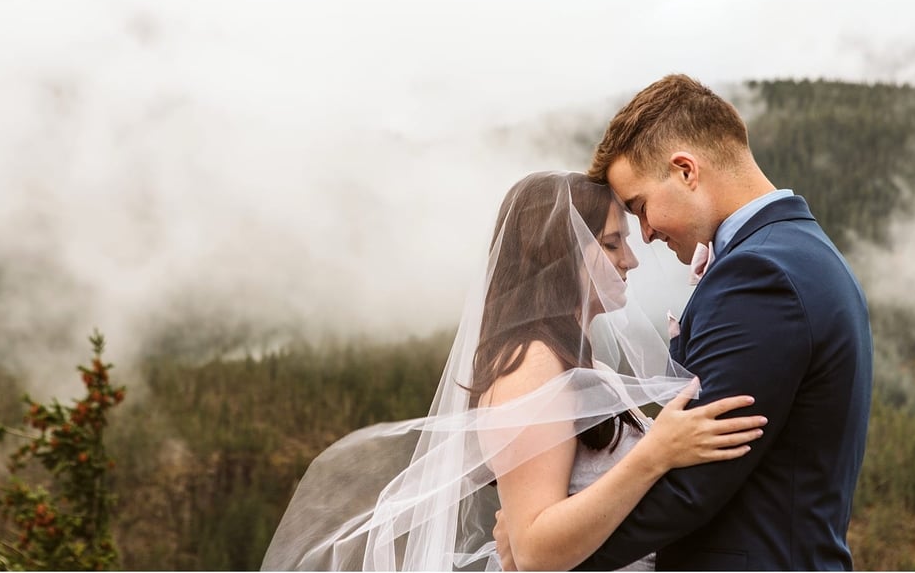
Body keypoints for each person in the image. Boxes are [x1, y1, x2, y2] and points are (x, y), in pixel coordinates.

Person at [261, 171, 766, 571]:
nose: (631, 259)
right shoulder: (530, 365)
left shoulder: (574, 358)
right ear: (560, 256)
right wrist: (653, 454)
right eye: (612, 244)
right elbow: (534, 552)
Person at [499, 75, 873, 570]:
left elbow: (698, 482)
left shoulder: (760, 273)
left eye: (640, 208)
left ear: (685, 171)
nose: (646, 235)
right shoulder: (800, 250)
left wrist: (542, 557)